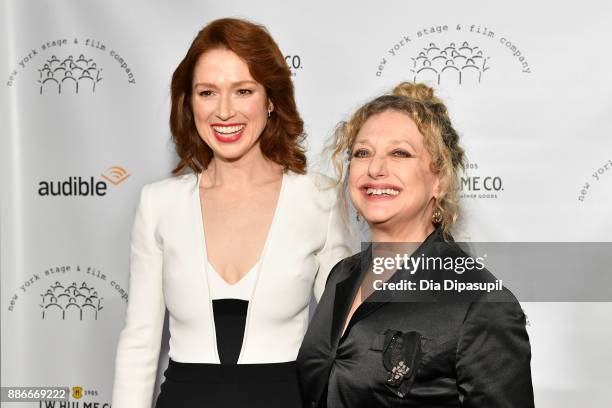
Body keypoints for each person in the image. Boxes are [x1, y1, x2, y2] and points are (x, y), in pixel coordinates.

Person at [111, 18, 353, 408]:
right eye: (207, 92)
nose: (224, 111)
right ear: (189, 103)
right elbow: (139, 343)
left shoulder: (319, 198)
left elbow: (345, 343)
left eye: (243, 91)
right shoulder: (159, 203)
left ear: (270, 99)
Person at [297, 82, 534, 407]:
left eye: (400, 153)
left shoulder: (480, 303)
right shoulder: (341, 275)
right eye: (362, 153)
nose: (375, 169)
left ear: (439, 180)